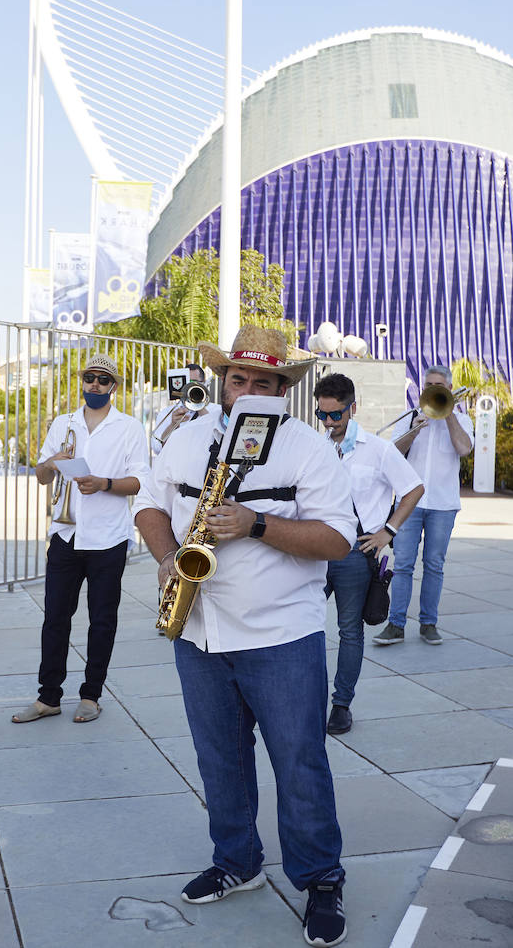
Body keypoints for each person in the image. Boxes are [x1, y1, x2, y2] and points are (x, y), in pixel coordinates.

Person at [133, 325, 355, 948]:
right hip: (198, 631)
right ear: (223, 382)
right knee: (219, 760)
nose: (249, 389)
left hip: (281, 635)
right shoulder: (188, 439)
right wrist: (165, 555)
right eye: (239, 378)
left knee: (299, 762)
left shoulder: (309, 449)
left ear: (284, 388)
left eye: (264, 381)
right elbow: (149, 504)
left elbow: (337, 539)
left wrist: (257, 523)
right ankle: (238, 862)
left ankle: (320, 878)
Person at [13, 353, 149, 724]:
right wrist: (53, 460)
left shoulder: (129, 428)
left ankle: (91, 695)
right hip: (65, 533)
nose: (95, 385)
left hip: (108, 537)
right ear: (82, 381)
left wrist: (104, 484)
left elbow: (140, 481)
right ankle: (48, 698)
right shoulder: (63, 423)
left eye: (103, 380)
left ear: (114, 387)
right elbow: (41, 475)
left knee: (102, 620)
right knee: (55, 618)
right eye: (89, 378)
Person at [313, 373, 423, 735]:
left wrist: (386, 532)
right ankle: (303, 699)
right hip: (314, 547)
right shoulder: (318, 445)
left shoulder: (379, 449)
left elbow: (413, 489)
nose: (329, 422)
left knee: (349, 631)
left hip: (355, 552)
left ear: (352, 408)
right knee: (299, 623)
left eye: (335, 415)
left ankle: (341, 705)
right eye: (322, 415)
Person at [373, 365, 474, 648]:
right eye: (428, 384)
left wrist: (449, 413)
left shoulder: (463, 421)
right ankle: (395, 625)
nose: (431, 389)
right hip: (410, 504)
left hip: (443, 504)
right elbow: (392, 454)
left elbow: (464, 449)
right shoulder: (409, 418)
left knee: (434, 565)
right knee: (403, 565)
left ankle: (429, 624)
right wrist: (415, 429)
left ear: (449, 389)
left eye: (438, 385)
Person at [152, 361, 211, 452]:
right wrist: (173, 425)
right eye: (186, 382)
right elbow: (157, 449)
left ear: (204, 383)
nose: (189, 386)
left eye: (193, 382)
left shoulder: (216, 410)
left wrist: (200, 406)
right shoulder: (166, 413)